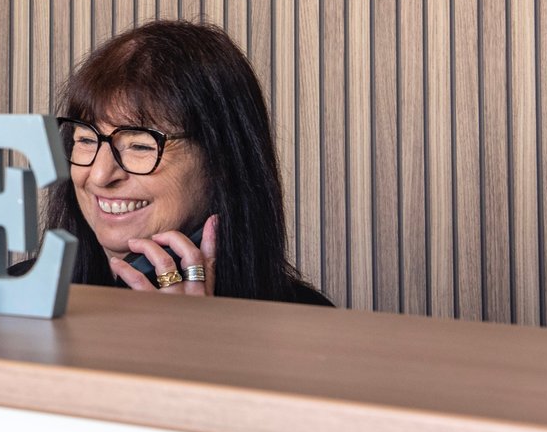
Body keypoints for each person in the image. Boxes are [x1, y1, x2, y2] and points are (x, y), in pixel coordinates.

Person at [32, 19, 332, 305]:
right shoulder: (19, 298)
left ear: (221, 164)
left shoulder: (305, 319)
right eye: (86, 140)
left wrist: (190, 334)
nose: (99, 175)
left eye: (140, 145)